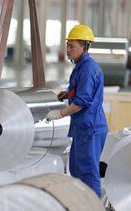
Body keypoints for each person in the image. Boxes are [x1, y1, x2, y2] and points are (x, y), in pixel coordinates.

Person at [46, 24, 108, 197]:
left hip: (91, 129)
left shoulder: (88, 69)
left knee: (88, 172)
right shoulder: (81, 66)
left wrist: (59, 114)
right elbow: (80, 92)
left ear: (84, 46)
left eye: (72, 46)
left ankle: (93, 206)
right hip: (82, 129)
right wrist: (68, 94)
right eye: (67, 45)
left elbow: (82, 102)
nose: (68, 49)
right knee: (76, 169)